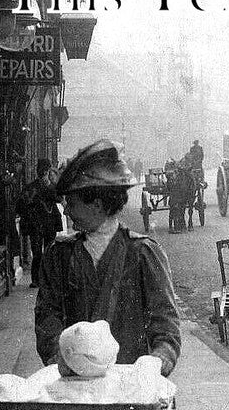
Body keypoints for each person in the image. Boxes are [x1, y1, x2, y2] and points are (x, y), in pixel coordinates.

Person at [35, 139, 181, 377]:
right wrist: (57, 357)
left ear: (98, 204)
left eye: (72, 204)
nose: (68, 212)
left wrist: (158, 360)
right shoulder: (58, 256)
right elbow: (46, 316)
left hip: (130, 389)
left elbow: (165, 325)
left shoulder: (143, 254)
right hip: (75, 389)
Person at [16, 158, 63, 288]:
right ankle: (38, 280)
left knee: (47, 252)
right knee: (38, 253)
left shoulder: (50, 186)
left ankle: (44, 280)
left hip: (48, 224)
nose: (43, 173)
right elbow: (21, 205)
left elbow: (59, 198)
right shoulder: (33, 187)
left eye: (45, 171)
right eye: (42, 171)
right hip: (37, 224)